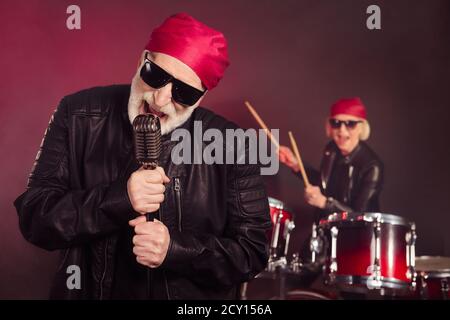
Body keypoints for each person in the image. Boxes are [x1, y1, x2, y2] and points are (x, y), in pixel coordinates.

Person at [14, 13, 271, 300]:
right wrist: (119, 199)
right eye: (155, 76)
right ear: (141, 61)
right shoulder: (77, 114)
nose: (159, 100)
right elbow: (35, 218)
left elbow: (252, 253)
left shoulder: (233, 145)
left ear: (201, 97)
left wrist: (175, 249)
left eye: (183, 92)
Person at [279, 98, 383, 219]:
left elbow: (359, 216)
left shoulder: (372, 166)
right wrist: (295, 164)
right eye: (336, 123)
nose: (342, 131)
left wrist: (324, 203)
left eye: (351, 124)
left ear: (361, 128)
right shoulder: (331, 150)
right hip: (327, 226)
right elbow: (323, 183)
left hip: (358, 233)